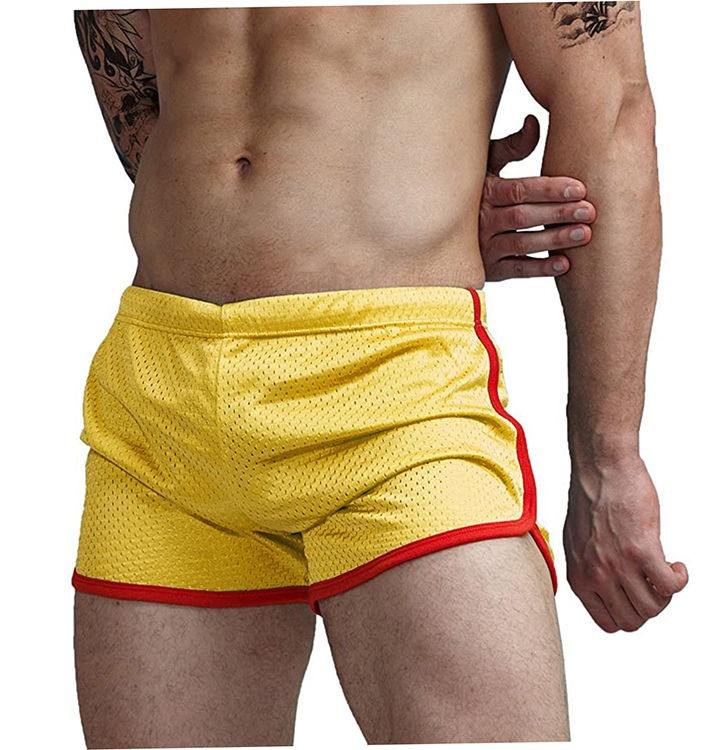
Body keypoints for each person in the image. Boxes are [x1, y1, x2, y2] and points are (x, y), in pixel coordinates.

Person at [71, 4, 687, 746]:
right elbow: (139, 86)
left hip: (395, 395)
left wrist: (608, 457)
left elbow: (611, 103)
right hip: (160, 403)